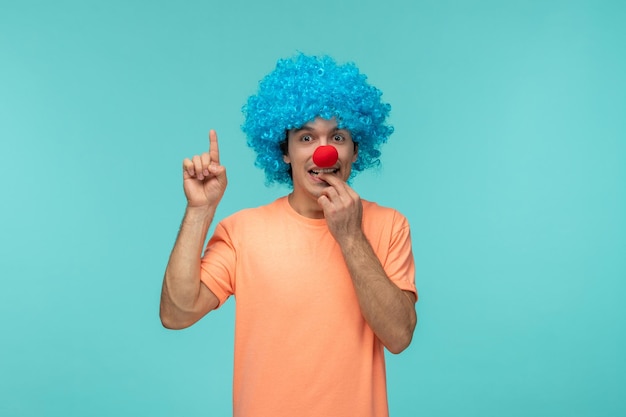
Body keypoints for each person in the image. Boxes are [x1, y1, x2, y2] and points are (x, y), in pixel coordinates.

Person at [160, 53, 418, 417]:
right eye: (306, 136)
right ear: (285, 152)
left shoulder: (389, 224)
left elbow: (399, 336)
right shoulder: (242, 231)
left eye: (338, 136)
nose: (323, 151)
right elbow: (177, 313)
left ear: (355, 151)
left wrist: (350, 237)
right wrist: (200, 211)